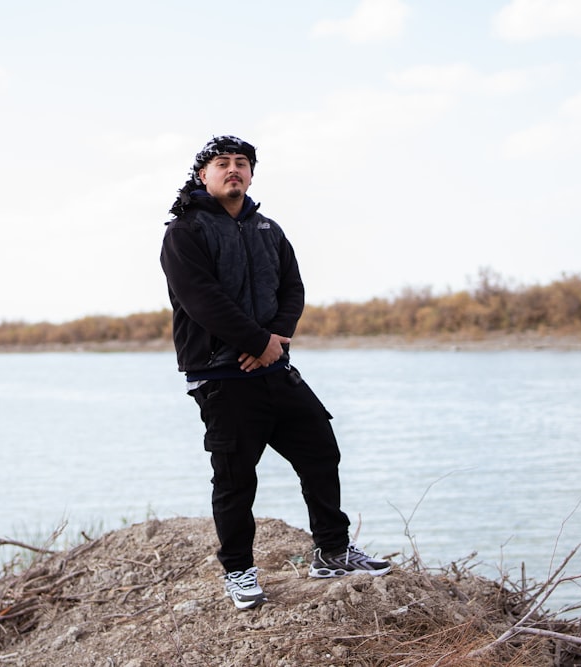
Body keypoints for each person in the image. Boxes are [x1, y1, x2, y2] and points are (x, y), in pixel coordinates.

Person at [159, 135, 391, 610]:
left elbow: (293, 288)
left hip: (275, 368)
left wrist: (276, 340)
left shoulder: (268, 228)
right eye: (222, 163)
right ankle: (240, 573)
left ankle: (332, 551)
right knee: (236, 479)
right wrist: (256, 342)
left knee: (321, 451)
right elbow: (202, 300)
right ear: (203, 174)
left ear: (251, 174)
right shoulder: (185, 231)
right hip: (221, 376)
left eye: (241, 163)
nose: (233, 170)